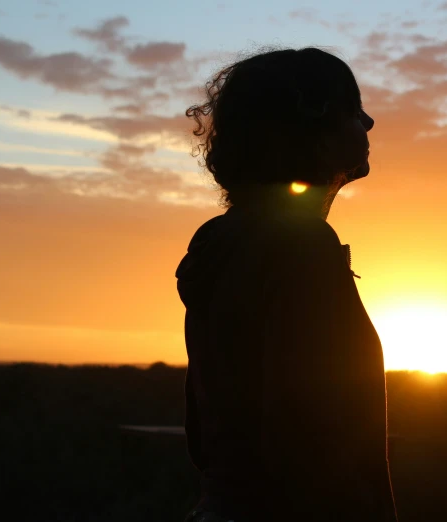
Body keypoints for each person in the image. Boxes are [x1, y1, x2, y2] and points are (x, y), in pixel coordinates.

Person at [176, 47, 398, 522]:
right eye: (353, 108)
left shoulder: (222, 242)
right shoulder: (300, 247)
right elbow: (314, 444)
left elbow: (204, 434)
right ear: (313, 129)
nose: (370, 122)